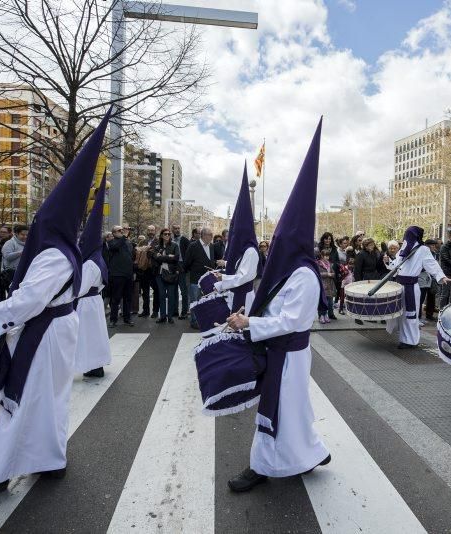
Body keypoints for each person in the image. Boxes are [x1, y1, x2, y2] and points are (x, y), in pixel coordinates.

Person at [0, 109, 110, 501]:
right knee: (49, 400)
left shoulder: (53, 254)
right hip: (59, 332)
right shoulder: (66, 251)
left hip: (44, 335)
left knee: (18, 401)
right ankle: (49, 459)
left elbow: (30, 300)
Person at [225, 118, 330, 492]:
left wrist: (251, 325)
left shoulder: (303, 275)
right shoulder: (287, 270)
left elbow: (290, 321)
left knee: (279, 410)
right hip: (280, 352)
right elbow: (268, 302)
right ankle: (308, 454)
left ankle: (263, 466)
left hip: (289, 353)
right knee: (291, 410)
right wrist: (246, 315)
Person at [386, 226, 451, 348]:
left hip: (411, 286)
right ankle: (404, 338)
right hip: (400, 286)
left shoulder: (423, 249)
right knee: (401, 314)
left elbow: (431, 264)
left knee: (410, 315)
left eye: (408, 235)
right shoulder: (403, 249)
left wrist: (442, 277)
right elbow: (396, 266)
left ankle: (411, 341)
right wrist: (388, 262)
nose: (406, 237)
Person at [75, 175, 112, 378]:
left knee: (88, 337)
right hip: (93, 303)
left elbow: (79, 288)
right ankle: (94, 366)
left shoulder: (90, 263)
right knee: (94, 337)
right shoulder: (96, 259)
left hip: (86, 304)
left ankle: (92, 365)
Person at [213, 166, 260, 315]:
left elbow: (244, 276)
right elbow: (239, 266)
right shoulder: (244, 250)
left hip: (244, 298)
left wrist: (223, 278)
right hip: (236, 295)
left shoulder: (251, 251)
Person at [183, 227, 219, 329]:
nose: (212, 237)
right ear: (203, 235)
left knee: (206, 301)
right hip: (195, 279)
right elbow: (187, 262)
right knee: (195, 301)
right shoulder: (193, 246)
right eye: (210, 235)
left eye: (212, 235)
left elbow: (211, 261)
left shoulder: (211, 246)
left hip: (208, 280)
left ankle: (204, 320)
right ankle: (194, 321)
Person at [106, 225, 135, 327]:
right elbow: (115, 247)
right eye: (119, 230)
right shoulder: (111, 242)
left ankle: (127, 318)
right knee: (116, 298)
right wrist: (124, 236)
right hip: (117, 274)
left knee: (128, 298)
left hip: (128, 274)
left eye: (122, 230)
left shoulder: (127, 242)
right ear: (114, 233)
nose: (122, 231)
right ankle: (113, 320)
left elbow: (131, 257)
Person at [153, 228, 180, 324]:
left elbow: (176, 258)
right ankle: (163, 316)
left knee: (171, 296)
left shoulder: (175, 245)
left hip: (171, 274)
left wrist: (162, 257)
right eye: (165, 234)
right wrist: (169, 257)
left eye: (169, 234)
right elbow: (156, 258)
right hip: (159, 274)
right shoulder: (157, 247)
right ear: (161, 235)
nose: (167, 235)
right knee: (161, 295)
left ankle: (170, 316)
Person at [1, 225, 27, 294]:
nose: (25, 237)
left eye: (26, 235)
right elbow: (7, 256)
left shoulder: (28, 244)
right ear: (16, 234)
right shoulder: (10, 243)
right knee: (12, 294)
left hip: (23, 273)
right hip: (11, 274)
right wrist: (21, 253)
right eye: (22, 234)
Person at [172, 223, 190, 319]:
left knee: (184, 291)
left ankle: (184, 311)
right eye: (175, 228)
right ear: (172, 230)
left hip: (182, 268)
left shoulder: (185, 240)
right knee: (173, 291)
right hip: (172, 268)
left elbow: (189, 255)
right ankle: (174, 311)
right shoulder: (170, 240)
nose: (177, 230)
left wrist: (185, 267)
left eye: (178, 228)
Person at [317, 248, 336, 323]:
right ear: (322, 256)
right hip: (323, 284)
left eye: (327, 256)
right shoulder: (318, 264)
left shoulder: (329, 264)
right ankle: (321, 315)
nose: (326, 257)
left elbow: (333, 273)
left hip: (330, 285)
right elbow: (318, 274)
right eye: (325, 256)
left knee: (330, 302)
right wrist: (327, 274)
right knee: (322, 301)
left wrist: (331, 274)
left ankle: (326, 315)